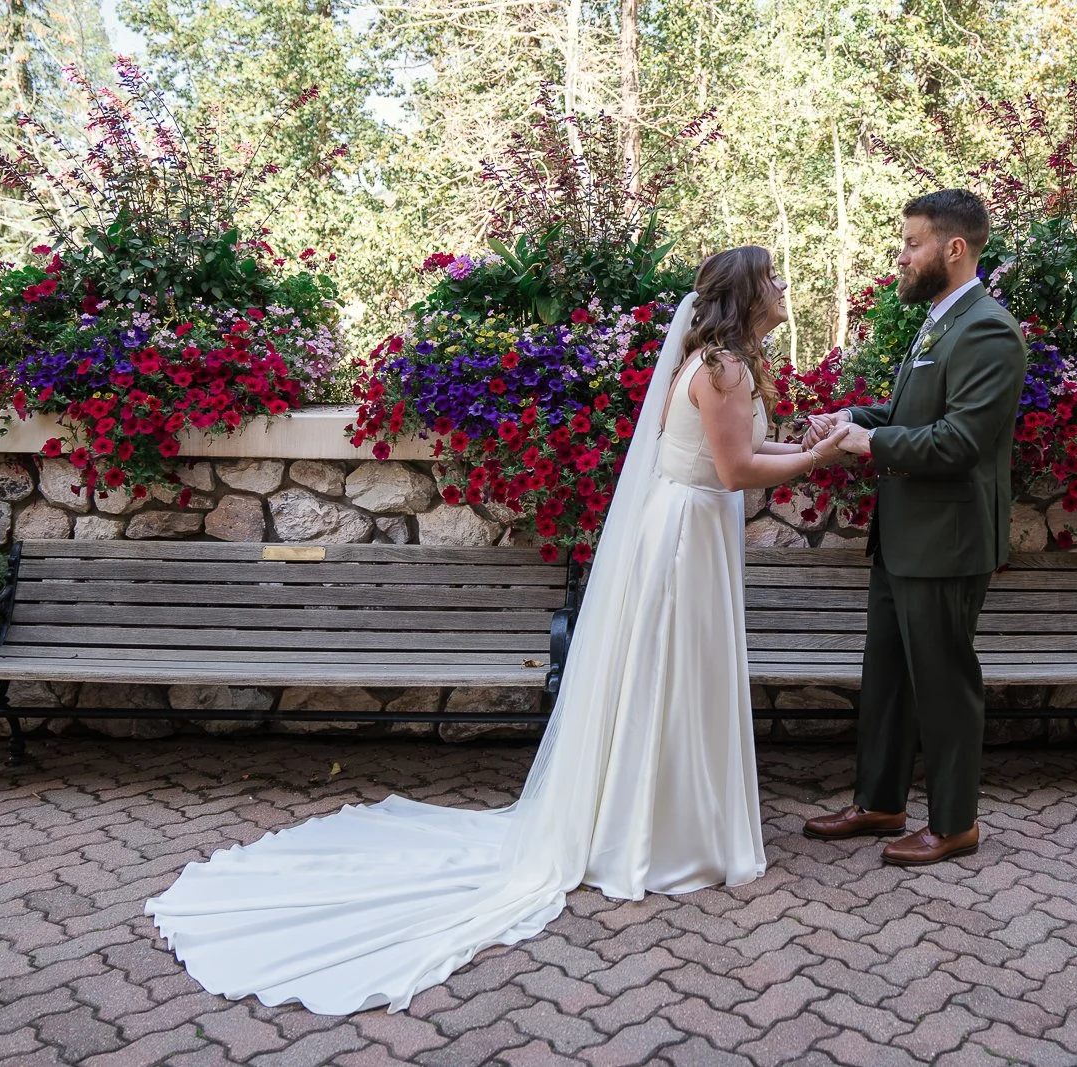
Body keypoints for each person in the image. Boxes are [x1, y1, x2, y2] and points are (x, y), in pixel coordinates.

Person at [144, 246, 849, 1015]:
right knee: (674, 678)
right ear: (748, 294)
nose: (784, 288)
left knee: (674, 678)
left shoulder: (715, 364)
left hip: (687, 526)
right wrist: (817, 454)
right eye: (775, 278)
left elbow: (735, 455)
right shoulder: (724, 369)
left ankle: (665, 818)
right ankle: (668, 834)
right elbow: (738, 470)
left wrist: (808, 441)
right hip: (685, 537)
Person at [802, 189, 1028, 866]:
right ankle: (880, 802)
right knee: (889, 678)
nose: (901, 256)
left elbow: (957, 441)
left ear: (953, 249)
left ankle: (955, 823)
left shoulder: (987, 329)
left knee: (944, 686)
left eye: (911, 243)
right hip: (902, 537)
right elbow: (914, 410)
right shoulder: (940, 321)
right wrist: (854, 418)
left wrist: (866, 446)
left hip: (946, 541)